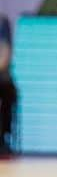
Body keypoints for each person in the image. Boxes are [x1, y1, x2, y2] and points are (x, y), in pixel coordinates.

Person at [0, 15, 17, 157]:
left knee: (7, 89)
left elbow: (5, 55)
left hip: (1, 77)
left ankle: (3, 137)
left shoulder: (2, 22)